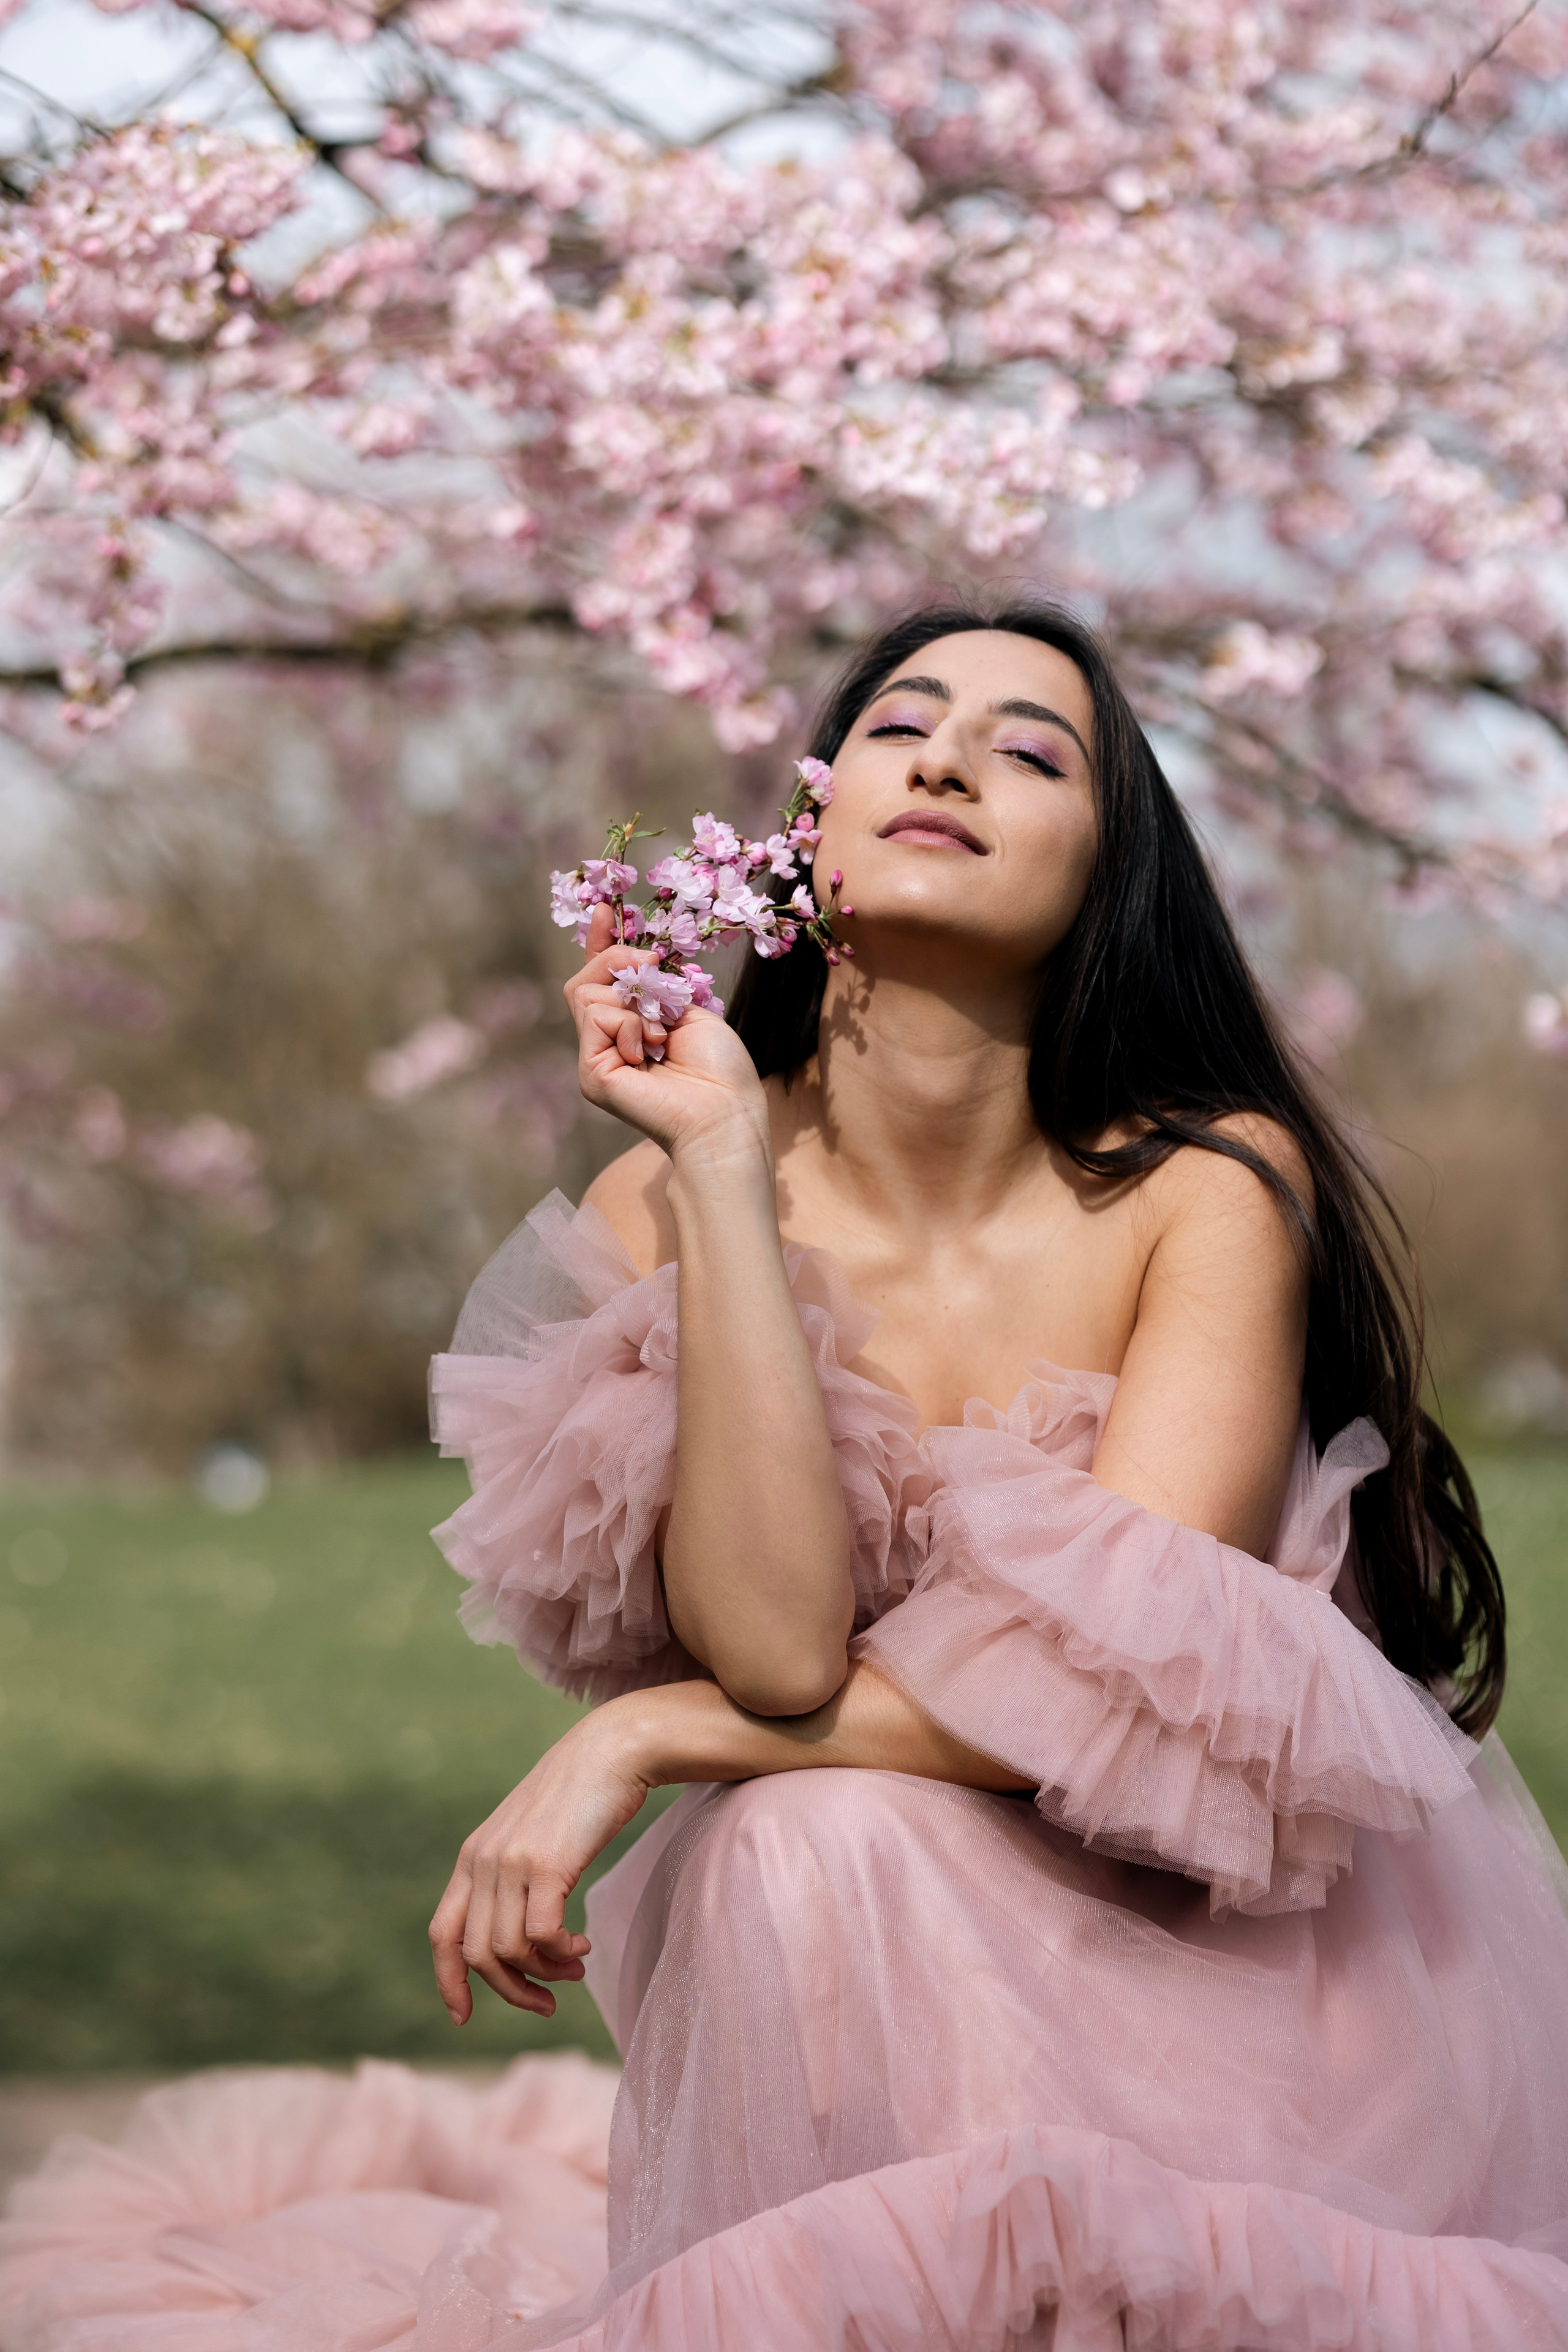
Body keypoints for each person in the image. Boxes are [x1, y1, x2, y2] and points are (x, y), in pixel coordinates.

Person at [6, 600, 1568, 2350]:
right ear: (805, 836)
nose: (955, 760)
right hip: (849, 1933)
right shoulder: (659, 1202)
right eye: (901, 727)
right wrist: (726, 1169)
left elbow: (1119, 1693)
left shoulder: (1200, 1187)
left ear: (1109, 877)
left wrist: (639, 1734)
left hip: (1219, 1974)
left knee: (793, 1828)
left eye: (1035, 751)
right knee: (803, 1835)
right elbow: (776, 1654)